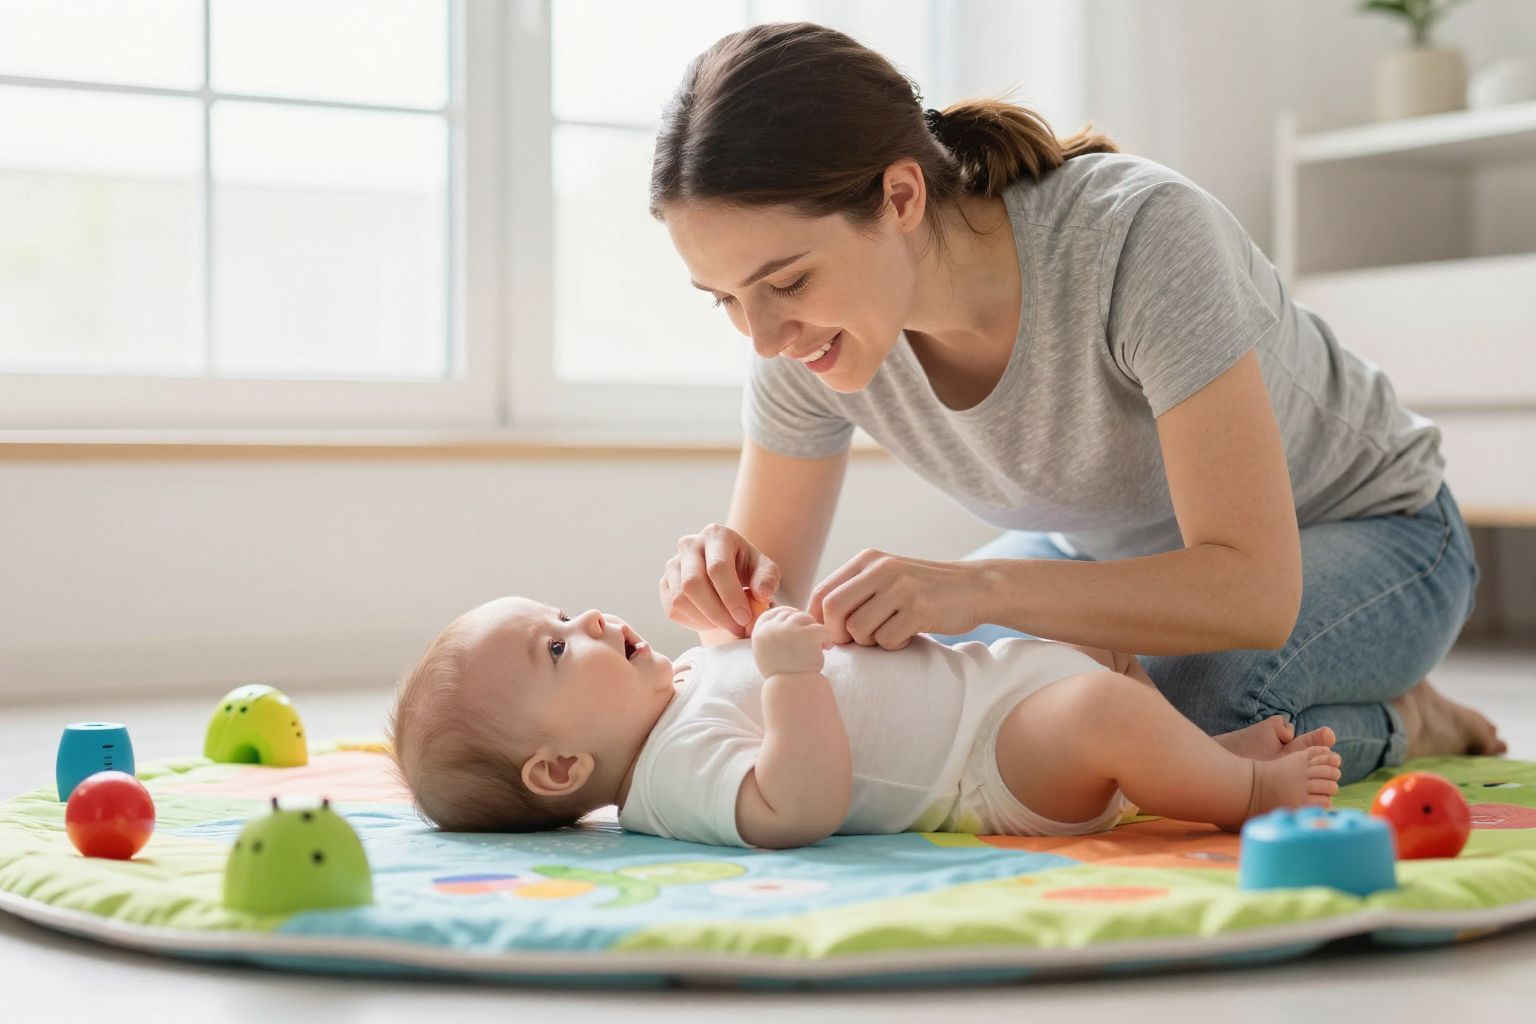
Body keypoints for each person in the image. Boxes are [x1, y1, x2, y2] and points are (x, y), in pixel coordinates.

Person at [648, 22, 1505, 786]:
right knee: (902, 693)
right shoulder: (805, 339)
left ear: (901, 197)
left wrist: (979, 587)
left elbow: (1252, 591)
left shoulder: (1137, 236)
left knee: (1190, 713)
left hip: (1376, 533)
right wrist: (724, 593)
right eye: (722, 298)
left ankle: (1410, 721)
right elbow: (766, 636)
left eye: (786, 281)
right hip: (1106, 556)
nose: (760, 335)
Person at [384, 596, 1342, 846]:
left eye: (560, 614)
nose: (585, 621)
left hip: (986, 686)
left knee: (1109, 691)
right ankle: (1243, 789)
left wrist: (772, 628)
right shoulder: (667, 782)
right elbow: (796, 804)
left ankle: (1195, 755)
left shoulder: (672, 692)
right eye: (555, 650)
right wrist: (791, 674)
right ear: (558, 770)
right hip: (984, 765)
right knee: (1101, 713)